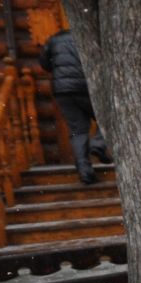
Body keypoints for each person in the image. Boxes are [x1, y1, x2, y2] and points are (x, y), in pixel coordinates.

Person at [39, 27, 108, 184]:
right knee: (108, 116)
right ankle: (98, 143)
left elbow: (44, 63)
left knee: (78, 131)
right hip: (88, 86)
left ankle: (85, 172)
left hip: (63, 90)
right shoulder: (89, 35)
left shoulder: (54, 40)